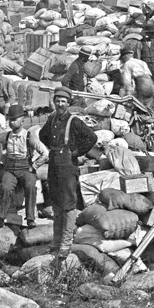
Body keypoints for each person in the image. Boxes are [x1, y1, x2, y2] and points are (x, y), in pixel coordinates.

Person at [39, 87, 97, 259]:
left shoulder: (74, 121)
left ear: (68, 103)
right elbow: (43, 136)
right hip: (54, 163)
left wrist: (76, 152)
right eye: (57, 101)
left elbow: (92, 138)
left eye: (63, 101)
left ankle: (66, 243)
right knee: (56, 202)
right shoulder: (52, 119)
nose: (60, 104)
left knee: (68, 204)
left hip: (68, 164)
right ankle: (56, 241)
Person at [0, 105, 45, 230]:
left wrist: (34, 166)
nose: (11, 122)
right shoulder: (6, 136)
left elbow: (45, 153)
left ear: (22, 121)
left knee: (30, 186)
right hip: (10, 169)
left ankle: (30, 219)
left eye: (14, 119)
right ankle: (0, 219)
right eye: (10, 119)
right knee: (5, 187)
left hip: (26, 168)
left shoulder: (29, 136)